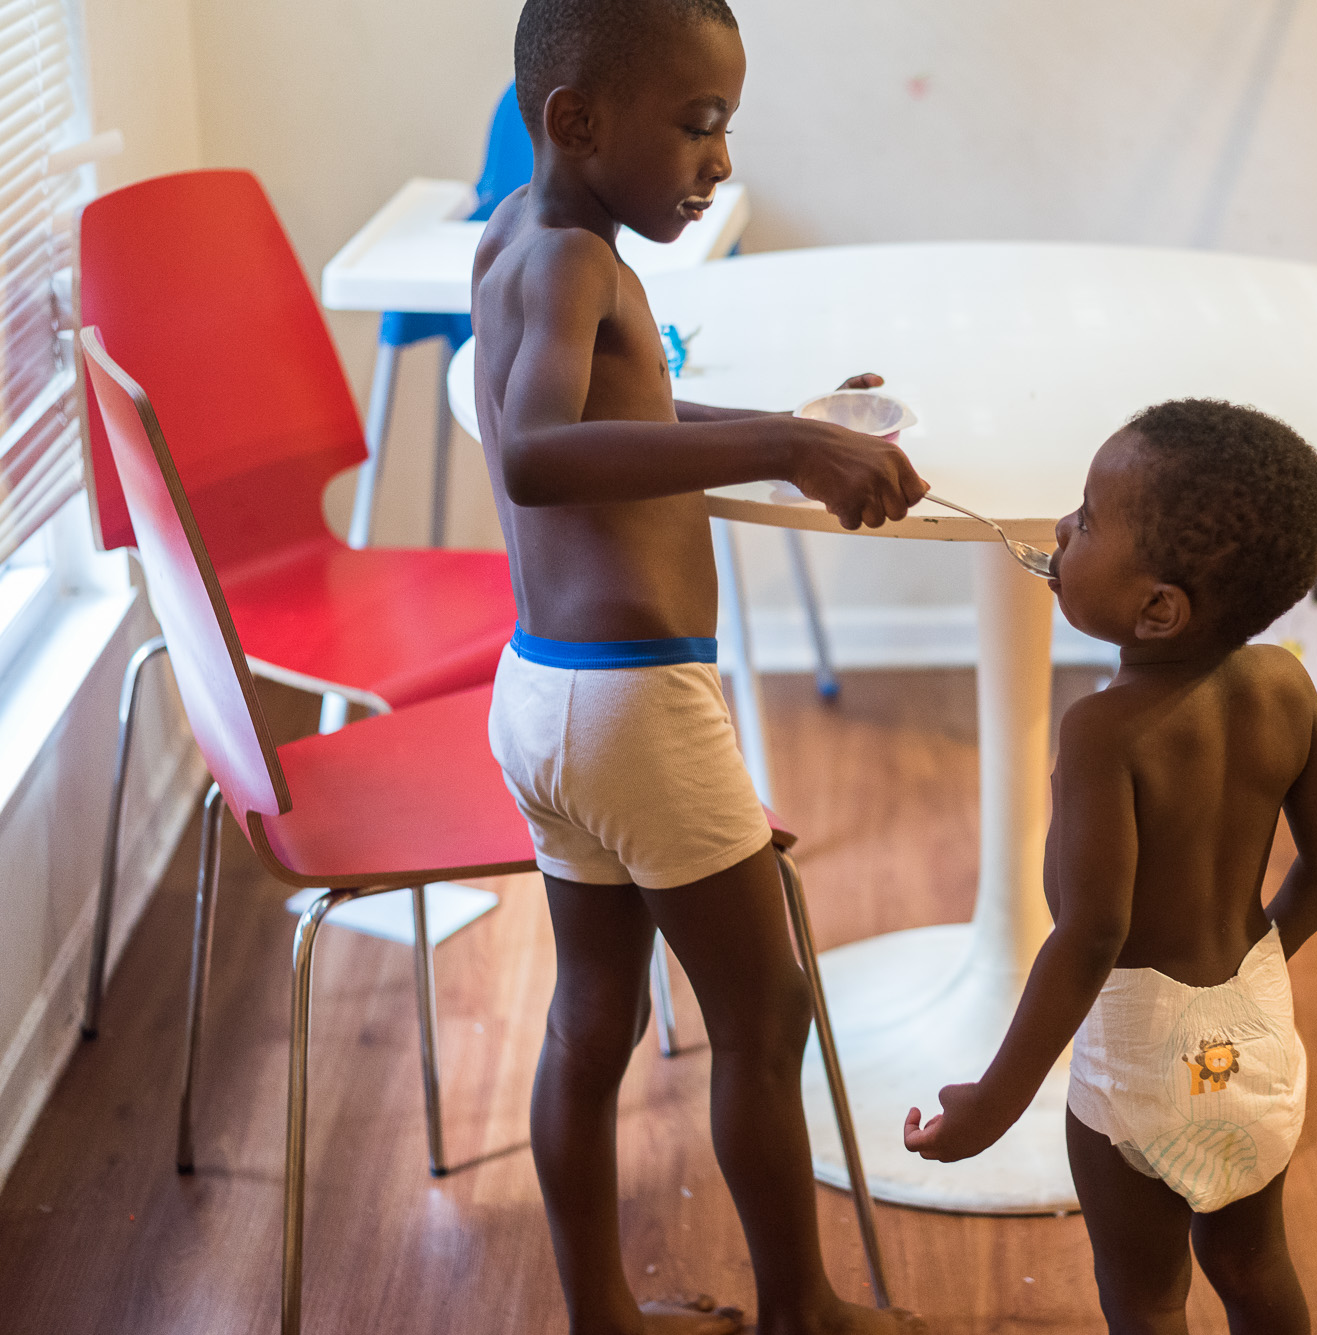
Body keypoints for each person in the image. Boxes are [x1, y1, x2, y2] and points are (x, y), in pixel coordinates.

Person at [471, 2, 930, 1332]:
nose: (719, 161)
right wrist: (787, 451)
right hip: (636, 707)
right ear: (575, 120)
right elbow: (535, 453)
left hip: (545, 693)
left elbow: (620, 417)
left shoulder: (516, 240)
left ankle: (600, 1316)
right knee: (766, 1006)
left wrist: (796, 422)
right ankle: (803, 1309)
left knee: (593, 1018)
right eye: (697, 122)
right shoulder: (577, 266)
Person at [904, 399, 1317, 1334]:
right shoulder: (1285, 684)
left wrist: (993, 1104)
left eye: (1087, 517)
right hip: (1257, 1034)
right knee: (1254, 1264)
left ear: (1158, 607)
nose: (1062, 530)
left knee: (1147, 1297)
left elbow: (1090, 933)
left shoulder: (1103, 732)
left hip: (1140, 1058)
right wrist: (1258, 971)